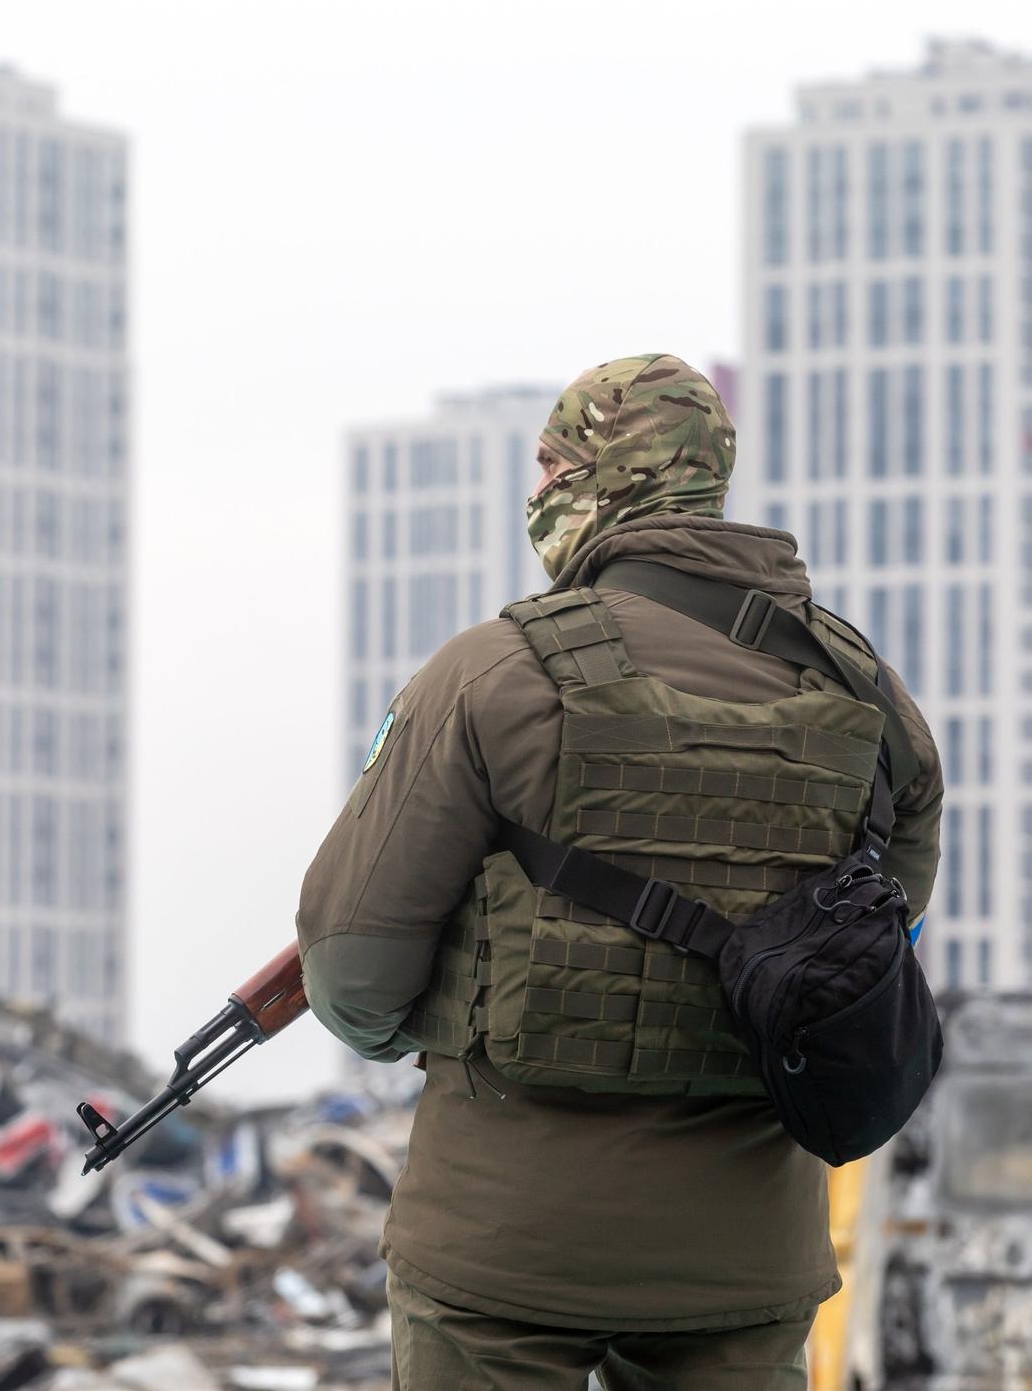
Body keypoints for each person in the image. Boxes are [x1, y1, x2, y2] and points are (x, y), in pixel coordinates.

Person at [295, 354, 944, 1390]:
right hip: (745, 1257)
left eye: (553, 462)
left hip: (501, 1247)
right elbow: (877, 952)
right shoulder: (869, 699)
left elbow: (349, 967)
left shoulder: (491, 673)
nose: (538, 489)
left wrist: (443, 1013)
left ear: (614, 474)